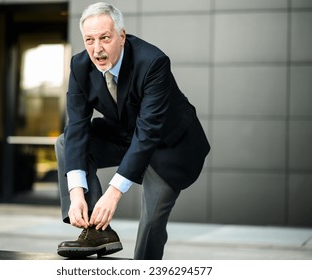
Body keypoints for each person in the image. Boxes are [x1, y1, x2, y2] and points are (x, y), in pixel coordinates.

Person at [55, 2, 210, 260]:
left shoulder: (153, 62)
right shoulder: (79, 66)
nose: (97, 49)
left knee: (151, 223)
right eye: (89, 40)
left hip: (169, 144)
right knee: (64, 141)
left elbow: (148, 132)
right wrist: (76, 193)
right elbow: (77, 127)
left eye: (105, 38)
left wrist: (112, 194)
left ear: (121, 36)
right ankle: (97, 233)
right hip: (125, 135)